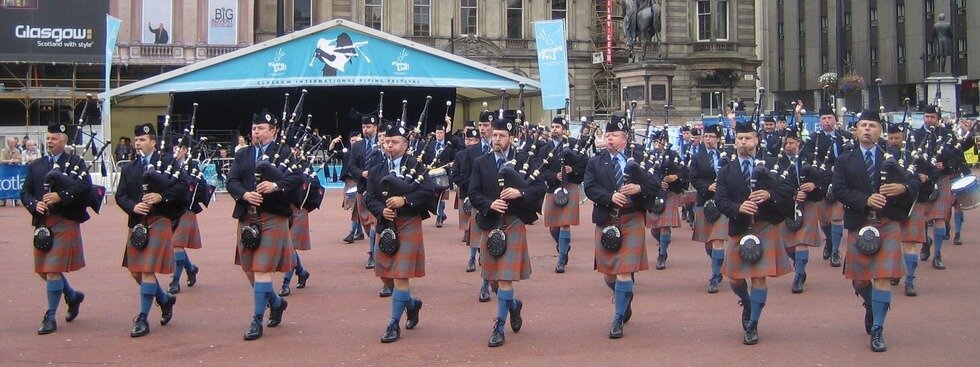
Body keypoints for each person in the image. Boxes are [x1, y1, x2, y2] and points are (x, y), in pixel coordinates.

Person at [832, 110, 919, 352]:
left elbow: (915, 183)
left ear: (880, 131)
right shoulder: (845, 160)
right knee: (860, 281)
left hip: (888, 222)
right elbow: (838, 190)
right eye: (863, 125)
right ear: (856, 130)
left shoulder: (895, 157)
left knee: (882, 277)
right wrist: (865, 200)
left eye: (872, 125)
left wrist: (902, 187)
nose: (867, 129)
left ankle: (878, 328)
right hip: (860, 222)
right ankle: (871, 305)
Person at [715, 118, 794, 345]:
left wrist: (770, 194)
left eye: (748, 138)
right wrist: (738, 207)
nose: (743, 143)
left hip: (765, 226)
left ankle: (753, 324)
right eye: (740, 138)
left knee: (759, 278)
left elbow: (788, 190)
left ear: (756, 140)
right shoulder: (727, 170)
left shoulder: (772, 164)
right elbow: (721, 200)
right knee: (735, 280)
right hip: (740, 227)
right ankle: (747, 303)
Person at [226, 110, 303, 340]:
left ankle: (257, 319)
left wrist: (275, 186)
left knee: (261, 269)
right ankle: (276, 303)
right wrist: (245, 195)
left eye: (261, 128)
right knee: (249, 269)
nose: (256, 132)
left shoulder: (285, 153)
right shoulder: (243, 155)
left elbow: (298, 177)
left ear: (273, 131)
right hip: (248, 216)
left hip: (272, 217)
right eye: (254, 128)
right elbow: (231, 181)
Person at [469, 118, 545, 347]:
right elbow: (473, 193)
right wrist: (490, 204)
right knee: (492, 279)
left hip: (512, 223)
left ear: (510, 138)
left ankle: (498, 327)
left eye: (501, 136)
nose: (497, 140)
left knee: (504, 279)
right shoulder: (481, 163)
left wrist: (519, 192)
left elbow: (540, 187)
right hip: (491, 223)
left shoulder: (524, 160)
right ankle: (514, 305)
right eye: (494, 135)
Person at [584, 115, 660, 339]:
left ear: (625, 139)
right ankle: (625, 299)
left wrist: (638, 188)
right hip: (608, 218)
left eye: (614, 135)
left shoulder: (639, 158)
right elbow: (589, 188)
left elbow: (655, 184)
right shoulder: (596, 162)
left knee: (624, 272)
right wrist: (609, 196)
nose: (609, 139)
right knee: (610, 276)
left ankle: (617, 319)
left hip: (632, 217)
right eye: (607, 135)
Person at [363, 124, 434, 343]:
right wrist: (380, 210)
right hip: (386, 224)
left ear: (405, 145)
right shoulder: (375, 169)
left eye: (394, 142)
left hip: (408, 222)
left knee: (401, 276)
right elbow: (370, 197)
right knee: (386, 276)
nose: (389, 146)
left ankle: (393, 324)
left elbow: (427, 191)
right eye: (387, 142)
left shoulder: (417, 166)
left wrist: (405, 200)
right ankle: (411, 304)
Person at [20, 123, 93, 335]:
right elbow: (24, 193)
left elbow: (85, 188)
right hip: (44, 222)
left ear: (64, 141)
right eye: (48, 138)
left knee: (52, 270)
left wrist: (60, 196)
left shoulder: (75, 162)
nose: (49, 141)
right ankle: (72, 295)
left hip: (65, 220)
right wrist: (35, 204)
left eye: (54, 138)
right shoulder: (37, 165)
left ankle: (50, 316)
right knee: (44, 270)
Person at [115, 123, 186, 337]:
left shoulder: (168, 163)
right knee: (136, 271)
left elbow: (183, 186)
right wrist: (133, 206)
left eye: (142, 140)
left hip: (158, 220)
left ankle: (143, 318)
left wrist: (161, 197)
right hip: (137, 222)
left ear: (153, 142)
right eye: (136, 140)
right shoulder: (129, 168)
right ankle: (164, 300)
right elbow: (121, 196)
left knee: (146, 270)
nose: (138, 144)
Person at [777, 126, 831, 294]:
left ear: (798, 143)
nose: (788, 146)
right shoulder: (777, 162)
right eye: (785, 143)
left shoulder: (810, 159)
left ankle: (798, 276)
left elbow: (827, 176)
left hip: (808, 205)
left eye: (791, 143)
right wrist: (792, 194)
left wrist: (815, 185)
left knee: (801, 242)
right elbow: (773, 184)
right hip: (786, 206)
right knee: (787, 244)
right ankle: (798, 264)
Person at [886, 123, 937, 297]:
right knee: (892, 243)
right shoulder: (882, 156)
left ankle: (910, 280)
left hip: (913, 202)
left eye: (897, 138)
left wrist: (926, 177)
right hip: (890, 204)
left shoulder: (915, 156)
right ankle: (895, 272)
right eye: (891, 138)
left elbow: (933, 172)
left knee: (908, 242)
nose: (893, 142)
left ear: (903, 137)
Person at [802, 105, 853, 267]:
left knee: (837, 216)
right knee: (824, 219)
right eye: (824, 119)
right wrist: (828, 166)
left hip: (841, 180)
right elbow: (809, 156)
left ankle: (836, 251)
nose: (827, 121)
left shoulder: (844, 136)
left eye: (830, 118)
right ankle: (830, 241)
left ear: (835, 120)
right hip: (822, 179)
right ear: (819, 121)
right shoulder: (813, 138)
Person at [454, 112, 495, 299]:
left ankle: (497, 283)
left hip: (502, 206)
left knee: (496, 247)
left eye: (486, 124)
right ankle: (485, 283)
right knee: (484, 246)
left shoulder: (508, 151)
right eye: (481, 125)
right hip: (481, 203)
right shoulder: (470, 152)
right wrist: (477, 191)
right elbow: (463, 176)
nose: (482, 128)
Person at [689, 124, 734, 293]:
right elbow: (693, 178)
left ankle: (715, 276)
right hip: (705, 201)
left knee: (718, 239)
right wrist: (708, 187)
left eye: (711, 136)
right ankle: (718, 264)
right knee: (709, 243)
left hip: (723, 202)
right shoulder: (697, 156)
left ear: (718, 139)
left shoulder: (727, 155)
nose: (708, 139)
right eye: (706, 136)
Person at [542, 116, 588, 273]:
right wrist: (554, 176)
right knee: (553, 227)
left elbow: (584, 165)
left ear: (564, 129)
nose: (555, 129)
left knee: (565, 223)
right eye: (553, 127)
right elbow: (540, 171)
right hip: (553, 188)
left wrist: (572, 170)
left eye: (558, 127)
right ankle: (563, 245)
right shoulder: (544, 149)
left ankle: (561, 257)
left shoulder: (575, 145)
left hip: (570, 186)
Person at [280, 147, 322, 297]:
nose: (294, 151)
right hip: (282, 209)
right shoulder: (280, 165)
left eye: (296, 148)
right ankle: (302, 272)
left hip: (299, 210)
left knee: (290, 247)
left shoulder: (306, 167)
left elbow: (316, 186)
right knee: (287, 246)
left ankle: (285, 283)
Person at [645, 129, 688, 270]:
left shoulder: (673, 155)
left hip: (670, 193)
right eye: (655, 141)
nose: (658, 144)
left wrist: (676, 177)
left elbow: (685, 170)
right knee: (655, 229)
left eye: (661, 141)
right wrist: (657, 183)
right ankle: (663, 243)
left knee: (665, 226)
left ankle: (662, 255)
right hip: (654, 193)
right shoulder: (648, 156)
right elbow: (643, 175)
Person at [349, 115, 384, 279]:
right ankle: (375, 246)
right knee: (367, 223)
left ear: (375, 127)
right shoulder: (357, 146)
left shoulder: (383, 142)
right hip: (362, 188)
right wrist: (362, 173)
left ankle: (372, 253)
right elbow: (351, 167)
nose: (366, 130)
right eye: (364, 127)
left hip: (378, 190)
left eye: (368, 127)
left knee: (374, 221)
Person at [167, 142, 203, 294]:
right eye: (174, 148)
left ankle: (175, 281)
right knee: (175, 245)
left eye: (179, 148)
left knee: (177, 245)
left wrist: (190, 184)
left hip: (186, 209)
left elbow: (202, 187)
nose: (176, 151)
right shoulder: (168, 164)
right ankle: (191, 268)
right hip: (170, 208)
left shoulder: (193, 164)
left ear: (186, 150)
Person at [422, 118, 457, 228]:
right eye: (437, 133)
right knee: (434, 195)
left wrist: (452, 164)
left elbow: (454, 158)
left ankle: (439, 217)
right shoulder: (430, 145)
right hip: (431, 173)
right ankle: (442, 214)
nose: (439, 135)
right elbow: (425, 157)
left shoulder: (448, 145)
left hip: (444, 173)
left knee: (441, 195)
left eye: (441, 133)